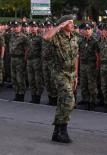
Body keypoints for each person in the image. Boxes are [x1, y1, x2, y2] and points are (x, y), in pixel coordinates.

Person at [43, 15, 79, 143]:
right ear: (64, 24)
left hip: (70, 74)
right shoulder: (57, 37)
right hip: (59, 73)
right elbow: (45, 37)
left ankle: (57, 132)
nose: (72, 25)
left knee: (62, 102)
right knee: (69, 100)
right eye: (70, 23)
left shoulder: (74, 37)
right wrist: (59, 26)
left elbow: (76, 57)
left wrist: (76, 75)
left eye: (72, 23)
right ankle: (63, 130)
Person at [9, 21, 30, 101]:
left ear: (20, 27)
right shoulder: (12, 36)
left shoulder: (24, 37)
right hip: (13, 58)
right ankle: (16, 93)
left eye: (17, 26)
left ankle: (21, 95)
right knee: (13, 77)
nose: (15, 28)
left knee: (20, 77)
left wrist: (25, 58)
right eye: (14, 27)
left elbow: (27, 49)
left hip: (20, 59)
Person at [27, 21, 43, 103]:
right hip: (29, 60)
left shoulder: (40, 38)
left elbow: (42, 50)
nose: (33, 28)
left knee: (37, 79)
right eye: (31, 26)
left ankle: (38, 96)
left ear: (37, 28)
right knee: (31, 79)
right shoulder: (28, 37)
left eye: (34, 26)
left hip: (37, 60)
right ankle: (33, 95)